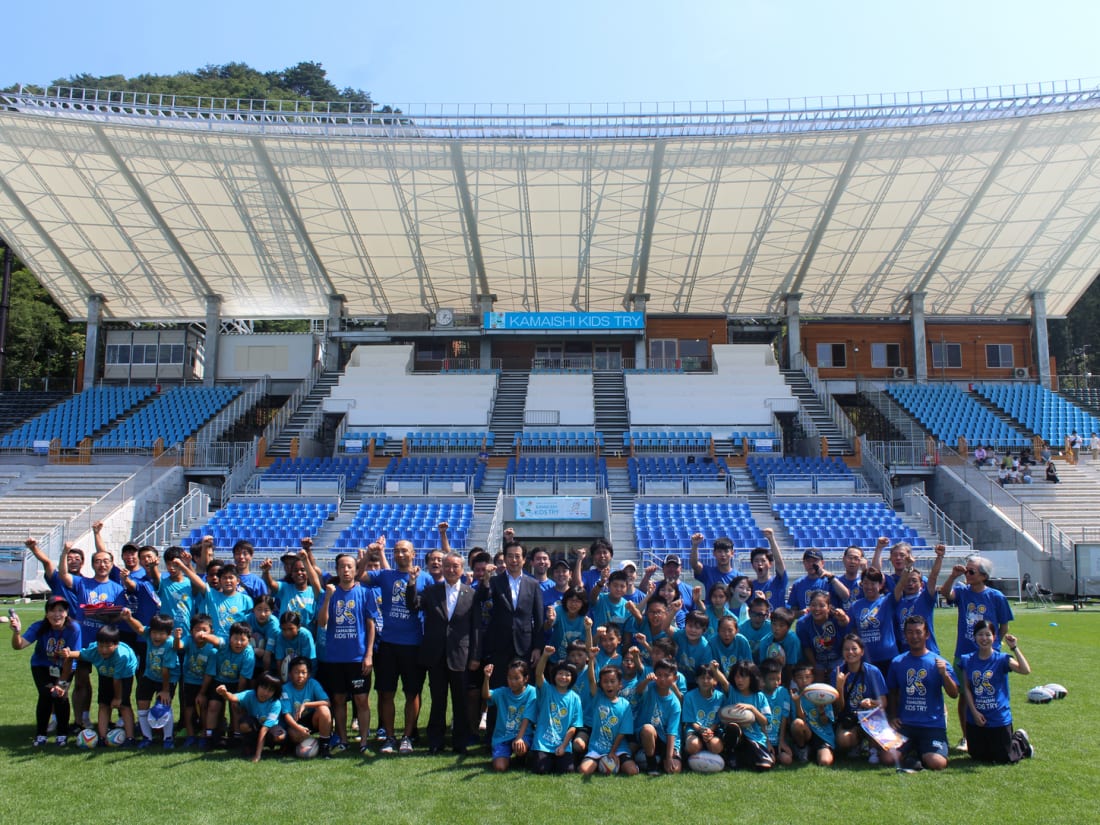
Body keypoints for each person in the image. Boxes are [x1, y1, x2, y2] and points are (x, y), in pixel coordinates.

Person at [360, 537, 434, 755]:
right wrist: (369, 553)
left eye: (404, 551)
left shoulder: (426, 579)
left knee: (413, 693)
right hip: (389, 644)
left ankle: (407, 737)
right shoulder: (385, 575)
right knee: (386, 693)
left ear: (413, 554)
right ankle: (389, 737)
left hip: (414, 645)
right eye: (396, 551)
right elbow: (358, 575)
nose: (400, 554)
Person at [405, 551, 482, 755]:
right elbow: (413, 605)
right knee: (438, 701)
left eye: (455, 566)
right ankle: (435, 742)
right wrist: (411, 583)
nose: (450, 569)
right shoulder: (431, 591)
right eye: (447, 566)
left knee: (461, 702)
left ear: (462, 569)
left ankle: (460, 742)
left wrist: (475, 656)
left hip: (461, 656)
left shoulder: (471, 593)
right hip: (436, 655)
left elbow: (475, 628)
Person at [939, 554, 1014, 752]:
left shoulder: (996, 597)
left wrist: (995, 648)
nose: (967, 573)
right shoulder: (963, 592)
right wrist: (953, 576)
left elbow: (1003, 626)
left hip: (988, 656)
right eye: (966, 569)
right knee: (965, 695)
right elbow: (945, 593)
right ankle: (966, 736)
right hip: (964, 653)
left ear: (983, 575)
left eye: (971, 571)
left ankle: (993, 730)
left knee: (989, 693)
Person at [316, 553, 377, 754]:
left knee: (361, 700)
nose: (346, 570)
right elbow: (322, 623)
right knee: (339, 700)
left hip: (357, 657)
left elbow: (371, 625)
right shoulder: (329, 592)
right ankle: (342, 740)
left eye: (350, 566)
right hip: (335, 658)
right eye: (342, 567)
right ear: (337, 570)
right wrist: (327, 598)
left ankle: (364, 742)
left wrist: (368, 655)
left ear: (355, 568)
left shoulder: (365, 592)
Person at [887, 614, 959, 772]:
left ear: (927, 634)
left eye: (918, 632)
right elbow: (892, 692)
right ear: (904, 635)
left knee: (937, 763)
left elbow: (954, 694)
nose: (914, 636)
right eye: (910, 632)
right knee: (888, 758)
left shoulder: (939, 663)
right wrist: (892, 716)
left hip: (931, 725)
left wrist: (944, 675)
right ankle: (914, 752)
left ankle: (918, 753)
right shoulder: (897, 662)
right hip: (907, 725)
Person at [9, 595, 79, 746]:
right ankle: (41, 735)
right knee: (47, 694)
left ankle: (62, 734)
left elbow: (71, 658)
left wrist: (61, 684)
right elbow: (18, 645)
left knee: (61, 696)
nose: (56, 614)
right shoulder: (39, 627)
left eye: (60, 610)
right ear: (47, 613)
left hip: (65, 666)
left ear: (66, 613)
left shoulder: (74, 629)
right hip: (41, 666)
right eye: (52, 610)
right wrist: (16, 632)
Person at [959, 621, 1033, 763]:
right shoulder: (967, 660)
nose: (984, 638)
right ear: (974, 637)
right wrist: (974, 713)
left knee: (1003, 758)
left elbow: (1025, 670)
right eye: (980, 634)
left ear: (994, 637)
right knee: (977, 756)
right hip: (976, 718)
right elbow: (967, 688)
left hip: (998, 717)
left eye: (988, 634)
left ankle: (1020, 739)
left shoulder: (1002, 659)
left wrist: (1014, 648)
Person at [478, 542, 543, 690]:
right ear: (505, 559)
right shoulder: (495, 581)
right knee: (498, 687)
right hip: (499, 644)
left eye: (517, 556)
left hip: (524, 645)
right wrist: (486, 579)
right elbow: (482, 597)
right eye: (510, 556)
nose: (514, 560)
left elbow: (539, 617)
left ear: (524, 559)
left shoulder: (533, 583)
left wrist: (538, 647)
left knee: (524, 688)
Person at [66, 625, 138, 745]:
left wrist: (117, 698)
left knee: (124, 705)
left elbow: (117, 680)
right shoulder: (94, 650)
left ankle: (130, 737)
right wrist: (68, 653)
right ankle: (102, 737)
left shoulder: (122, 656)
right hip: (105, 673)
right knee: (103, 704)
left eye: (108, 646)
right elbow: (80, 654)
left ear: (116, 644)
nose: (104, 650)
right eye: (101, 646)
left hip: (124, 675)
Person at [119, 609, 179, 748]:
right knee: (142, 705)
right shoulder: (149, 635)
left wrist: (165, 691)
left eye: (161, 634)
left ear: (169, 634)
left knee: (163, 707)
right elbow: (139, 628)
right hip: (149, 676)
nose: (156, 637)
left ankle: (168, 738)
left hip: (167, 679)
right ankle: (147, 737)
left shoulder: (170, 645)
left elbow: (166, 670)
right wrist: (129, 618)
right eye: (154, 633)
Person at [833, 634, 889, 763]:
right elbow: (838, 708)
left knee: (874, 718)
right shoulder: (837, 672)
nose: (850, 652)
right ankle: (857, 744)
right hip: (850, 717)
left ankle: (873, 749)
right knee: (843, 740)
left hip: (870, 717)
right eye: (846, 649)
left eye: (854, 648)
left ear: (862, 651)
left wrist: (872, 702)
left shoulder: (872, 671)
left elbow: (883, 702)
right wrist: (840, 688)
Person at [527, 646, 583, 774]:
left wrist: (564, 746)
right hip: (543, 743)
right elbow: (538, 673)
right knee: (541, 770)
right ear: (554, 675)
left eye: (567, 675)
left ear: (572, 678)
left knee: (566, 771)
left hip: (562, 744)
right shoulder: (547, 690)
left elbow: (574, 726)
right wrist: (545, 655)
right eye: (560, 673)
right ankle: (533, 755)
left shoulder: (575, 698)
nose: (563, 677)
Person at [201, 621, 256, 749]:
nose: (238, 643)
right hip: (219, 681)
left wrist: (236, 697)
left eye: (243, 640)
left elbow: (243, 679)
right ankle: (210, 736)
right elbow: (215, 640)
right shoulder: (224, 644)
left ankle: (236, 737)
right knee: (213, 706)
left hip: (236, 683)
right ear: (229, 638)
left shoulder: (249, 654)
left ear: (249, 640)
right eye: (235, 638)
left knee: (236, 708)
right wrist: (204, 636)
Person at [579, 661, 638, 776]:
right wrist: (591, 660)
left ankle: (619, 762)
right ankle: (596, 761)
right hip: (597, 748)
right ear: (600, 684)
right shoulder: (598, 698)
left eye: (612, 681)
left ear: (620, 684)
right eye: (605, 682)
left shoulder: (625, 704)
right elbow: (591, 679)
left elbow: (622, 732)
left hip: (619, 748)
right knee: (584, 771)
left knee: (632, 771)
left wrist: (612, 752)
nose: (609, 685)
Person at [216, 673, 286, 762]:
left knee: (280, 737)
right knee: (244, 725)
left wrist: (258, 756)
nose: (265, 693)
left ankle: (283, 747)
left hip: (269, 729)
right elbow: (233, 697)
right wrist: (224, 693)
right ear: (258, 686)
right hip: (254, 728)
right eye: (263, 687)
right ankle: (249, 745)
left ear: (275, 692)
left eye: (270, 690)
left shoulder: (276, 704)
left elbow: (264, 729)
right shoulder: (250, 694)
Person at [482, 659, 536, 772]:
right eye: (510, 678)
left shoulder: (532, 692)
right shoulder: (502, 692)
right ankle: (507, 756)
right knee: (499, 767)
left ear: (525, 679)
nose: (512, 682)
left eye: (516, 678)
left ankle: (522, 757)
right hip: (502, 736)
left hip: (523, 735)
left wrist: (519, 738)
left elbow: (527, 717)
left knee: (520, 748)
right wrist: (487, 677)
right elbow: (486, 695)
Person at [635, 658, 682, 775]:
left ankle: (661, 759)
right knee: (648, 729)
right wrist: (646, 681)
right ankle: (652, 764)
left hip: (665, 739)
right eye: (659, 675)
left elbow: (672, 732)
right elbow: (638, 691)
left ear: (675, 679)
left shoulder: (675, 704)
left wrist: (670, 757)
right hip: (647, 735)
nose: (662, 679)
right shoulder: (650, 688)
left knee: (674, 770)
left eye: (667, 675)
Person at [723, 660, 773, 770]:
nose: (739, 680)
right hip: (738, 736)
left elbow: (766, 721)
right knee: (733, 728)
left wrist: (752, 708)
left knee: (765, 765)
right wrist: (715, 670)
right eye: (736, 677)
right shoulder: (732, 692)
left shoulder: (760, 697)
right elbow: (722, 681)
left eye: (743, 677)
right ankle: (731, 755)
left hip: (754, 736)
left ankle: (745, 758)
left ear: (752, 678)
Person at [280, 656, 334, 758]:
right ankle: (301, 744)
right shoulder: (285, 689)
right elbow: (286, 715)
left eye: (303, 672)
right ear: (290, 674)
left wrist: (306, 705)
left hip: (311, 720)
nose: (300, 675)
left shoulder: (313, 683)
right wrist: (298, 728)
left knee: (324, 710)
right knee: (294, 735)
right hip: (294, 723)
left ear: (308, 674)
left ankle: (324, 747)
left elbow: (327, 702)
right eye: (296, 672)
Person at [848, 567, 898, 673]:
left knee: (891, 689)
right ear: (861, 584)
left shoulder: (887, 601)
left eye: (873, 583)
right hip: (866, 658)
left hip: (888, 657)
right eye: (866, 583)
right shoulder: (855, 606)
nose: (869, 586)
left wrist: (908, 568)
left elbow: (900, 588)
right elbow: (853, 631)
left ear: (880, 585)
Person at [795, 591, 850, 682]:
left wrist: (843, 617)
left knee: (836, 678)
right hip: (817, 660)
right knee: (819, 683)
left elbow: (845, 623)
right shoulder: (803, 623)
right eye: (813, 605)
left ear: (828, 608)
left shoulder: (835, 618)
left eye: (822, 606)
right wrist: (815, 666)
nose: (817, 609)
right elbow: (807, 648)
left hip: (838, 658)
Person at [679, 662, 728, 762]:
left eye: (709, 678)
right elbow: (691, 721)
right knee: (693, 745)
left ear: (715, 681)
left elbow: (718, 721)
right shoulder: (689, 696)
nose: (705, 681)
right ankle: (694, 752)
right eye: (702, 678)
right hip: (695, 729)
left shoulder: (721, 697)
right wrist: (702, 731)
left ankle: (708, 749)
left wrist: (709, 731)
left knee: (716, 746)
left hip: (713, 730)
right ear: (696, 680)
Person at [788, 549, 849, 616]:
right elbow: (792, 611)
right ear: (804, 563)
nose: (811, 564)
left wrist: (832, 578)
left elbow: (845, 595)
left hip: (828, 623)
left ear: (822, 563)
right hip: (807, 623)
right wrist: (800, 613)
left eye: (815, 561)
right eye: (808, 561)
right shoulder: (798, 584)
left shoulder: (831, 580)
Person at [759, 657, 793, 766]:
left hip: (778, 739)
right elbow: (761, 722)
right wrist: (767, 742)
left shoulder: (783, 692)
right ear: (763, 680)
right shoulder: (759, 695)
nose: (777, 682)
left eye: (778, 678)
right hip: (764, 739)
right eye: (772, 679)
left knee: (787, 760)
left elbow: (784, 717)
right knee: (770, 761)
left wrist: (782, 741)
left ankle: (778, 751)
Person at [749, 528, 788, 610]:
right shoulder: (750, 587)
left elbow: (779, 562)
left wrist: (771, 539)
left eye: (763, 561)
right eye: (756, 561)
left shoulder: (778, 582)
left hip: (777, 622)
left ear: (770, 564)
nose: (760, 563)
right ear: (752, 565)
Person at [690, 534, 736, 602]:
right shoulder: (708, 572)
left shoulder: (738, 577)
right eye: (719, 551)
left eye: (726, 551)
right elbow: (694, 564)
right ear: (714, 553)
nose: (723, 555)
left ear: (732, 553)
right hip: (710, 612)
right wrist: (695, 545)